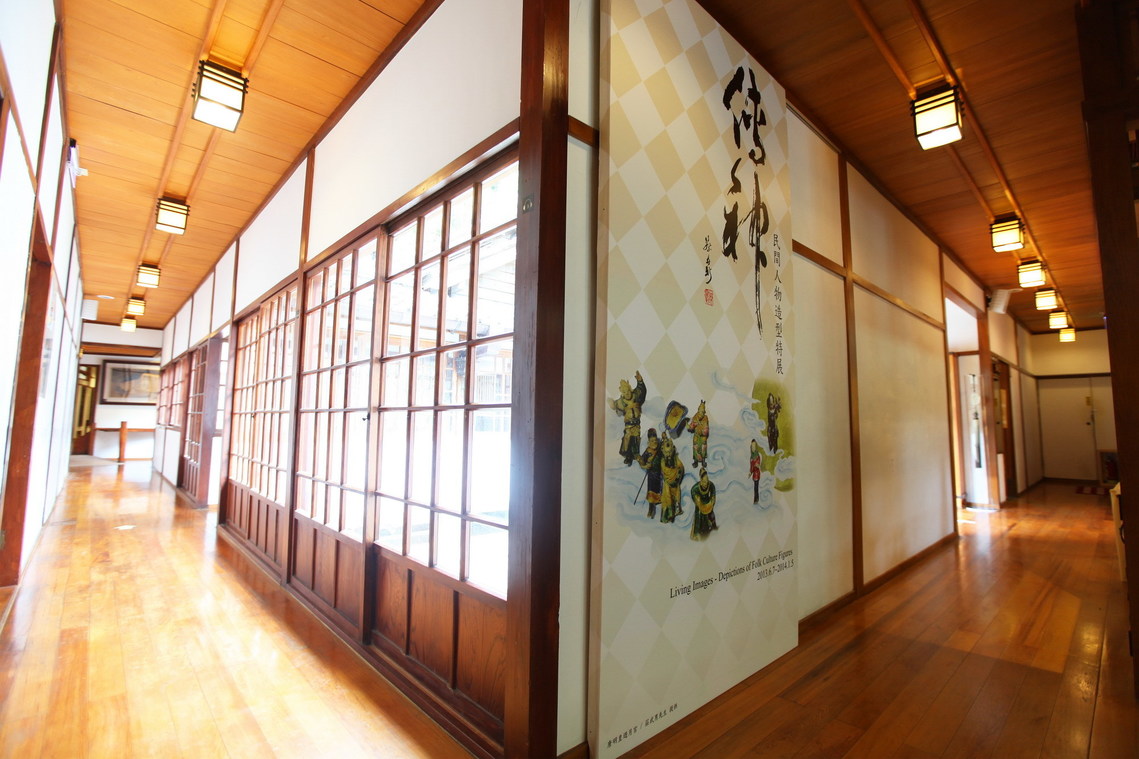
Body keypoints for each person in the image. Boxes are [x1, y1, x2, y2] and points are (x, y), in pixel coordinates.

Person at [610, 370, 646, 465]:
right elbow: (614, 404)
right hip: (628, 425)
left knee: (636, 438)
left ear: (630, 389)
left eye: (628, 391)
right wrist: (611, 404)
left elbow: (642, 390)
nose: (627, 393)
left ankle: (635, 454)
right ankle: (628, 456)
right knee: (627, 438)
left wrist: (640, 381)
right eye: (624, 392)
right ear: (622, 393)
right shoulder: (621, 402)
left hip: (636, 423)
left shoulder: (636, 395)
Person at [659, 431, 685, 523]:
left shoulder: (676, 460)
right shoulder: (663, 461)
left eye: (670, 452)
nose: (669, 454)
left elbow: (680, 468)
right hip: (667, 483)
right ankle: (668, 515)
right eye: (667, 452)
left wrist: (676, 478)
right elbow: (663, 470)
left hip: (675, 484)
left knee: (675, 496)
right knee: (667, 497)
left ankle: (675, 510)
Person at [638, 429, 662, 519]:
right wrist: (645, 466)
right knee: (651, 491)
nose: (654, 442)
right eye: (652, 441)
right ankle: (651, 509)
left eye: (655, 440)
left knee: (661, 490)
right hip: (651, 476)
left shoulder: (660, 449)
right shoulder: (648, 451)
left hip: (660, 475)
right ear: (649, 442)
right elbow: (641, 461)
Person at [690, 468, 718, 540]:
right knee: (698, 515)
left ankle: (713, 526)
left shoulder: (710, 485)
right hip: (700, 504)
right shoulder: (696, 488)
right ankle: (697, 533)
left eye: (707, 481)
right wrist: (698, 501)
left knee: (711, 514)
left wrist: (712, 501)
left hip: (708, 503)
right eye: (704, 482)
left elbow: (713, 494)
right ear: (701, 480)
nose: (706, 483)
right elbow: (693, 493)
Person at [687, 400, 709, 469]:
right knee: (695, 447)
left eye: (702, 412)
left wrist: (702, 431)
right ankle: (695, 461)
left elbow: (706, 429)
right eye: (700, 411)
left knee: (703, 447)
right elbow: (692, 425)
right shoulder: (695, 417)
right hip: (696, 436)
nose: (701, 414)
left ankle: (703, 461)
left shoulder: (705, 418)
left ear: (704, 412)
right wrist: (690, 427)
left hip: (703, 437)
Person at [750, 438, 762, 503]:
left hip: (757, 474)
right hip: (754, 475)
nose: (753, 447)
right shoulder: (751, 457)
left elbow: (758, 464)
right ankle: (756, 499)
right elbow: (751, 466)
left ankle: (756, 499)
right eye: (752, 446)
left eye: (754, 446)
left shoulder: (757, 456)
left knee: (756, 487)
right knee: (755, 487)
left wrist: (757, 465)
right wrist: (750, 472)